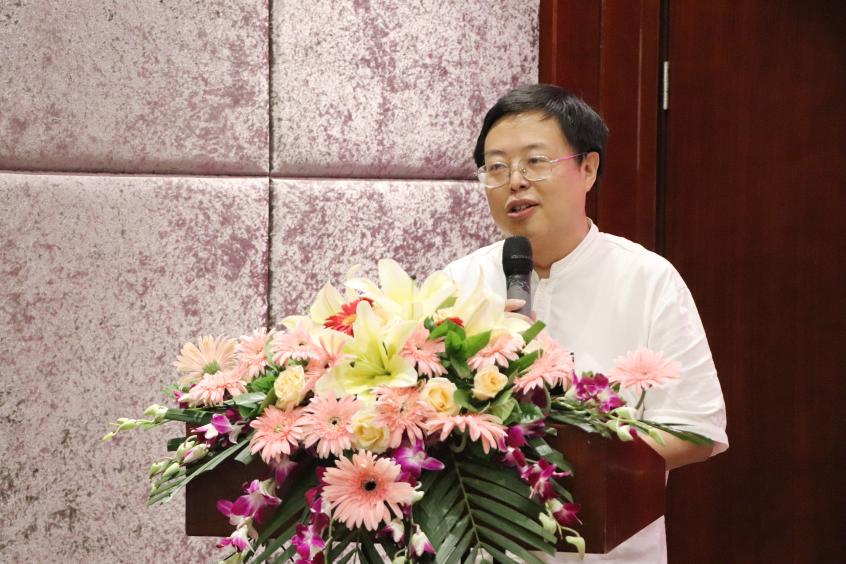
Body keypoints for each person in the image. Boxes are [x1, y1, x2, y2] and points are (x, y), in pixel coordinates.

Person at [443, 84, 728, 563]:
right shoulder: (456, 284)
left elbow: (696, 428)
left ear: (588, 169)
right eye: (496, 167)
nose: (515, 181)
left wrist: (572, 462)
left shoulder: (647, 279)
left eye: (535, 161)